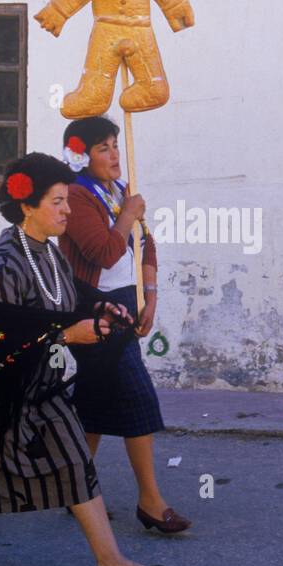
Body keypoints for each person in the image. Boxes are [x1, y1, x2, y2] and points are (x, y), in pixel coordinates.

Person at [0, 152, 165, 566]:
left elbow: (69, 294)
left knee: (76, 457)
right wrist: (66, 334)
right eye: (58, 202)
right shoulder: (1, 264)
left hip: (41, 382)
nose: (67, 210)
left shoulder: (48, 253)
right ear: (27, 205)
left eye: (67, 201)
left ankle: (109, 561)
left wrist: (101, 306)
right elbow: (7, 334)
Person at [57, 118, 190, 534]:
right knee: (138, 400)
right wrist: (128, 214)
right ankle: (150, 502)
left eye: (115, 145)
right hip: (94, 308)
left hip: (125, 302)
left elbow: (145, 244)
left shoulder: (118, 190)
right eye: (103, 148)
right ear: (81, 155)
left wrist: (150, 295)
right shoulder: (77, 197)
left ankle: (73, 488)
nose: (115, 154)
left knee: (95, 403)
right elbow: (105, 253)